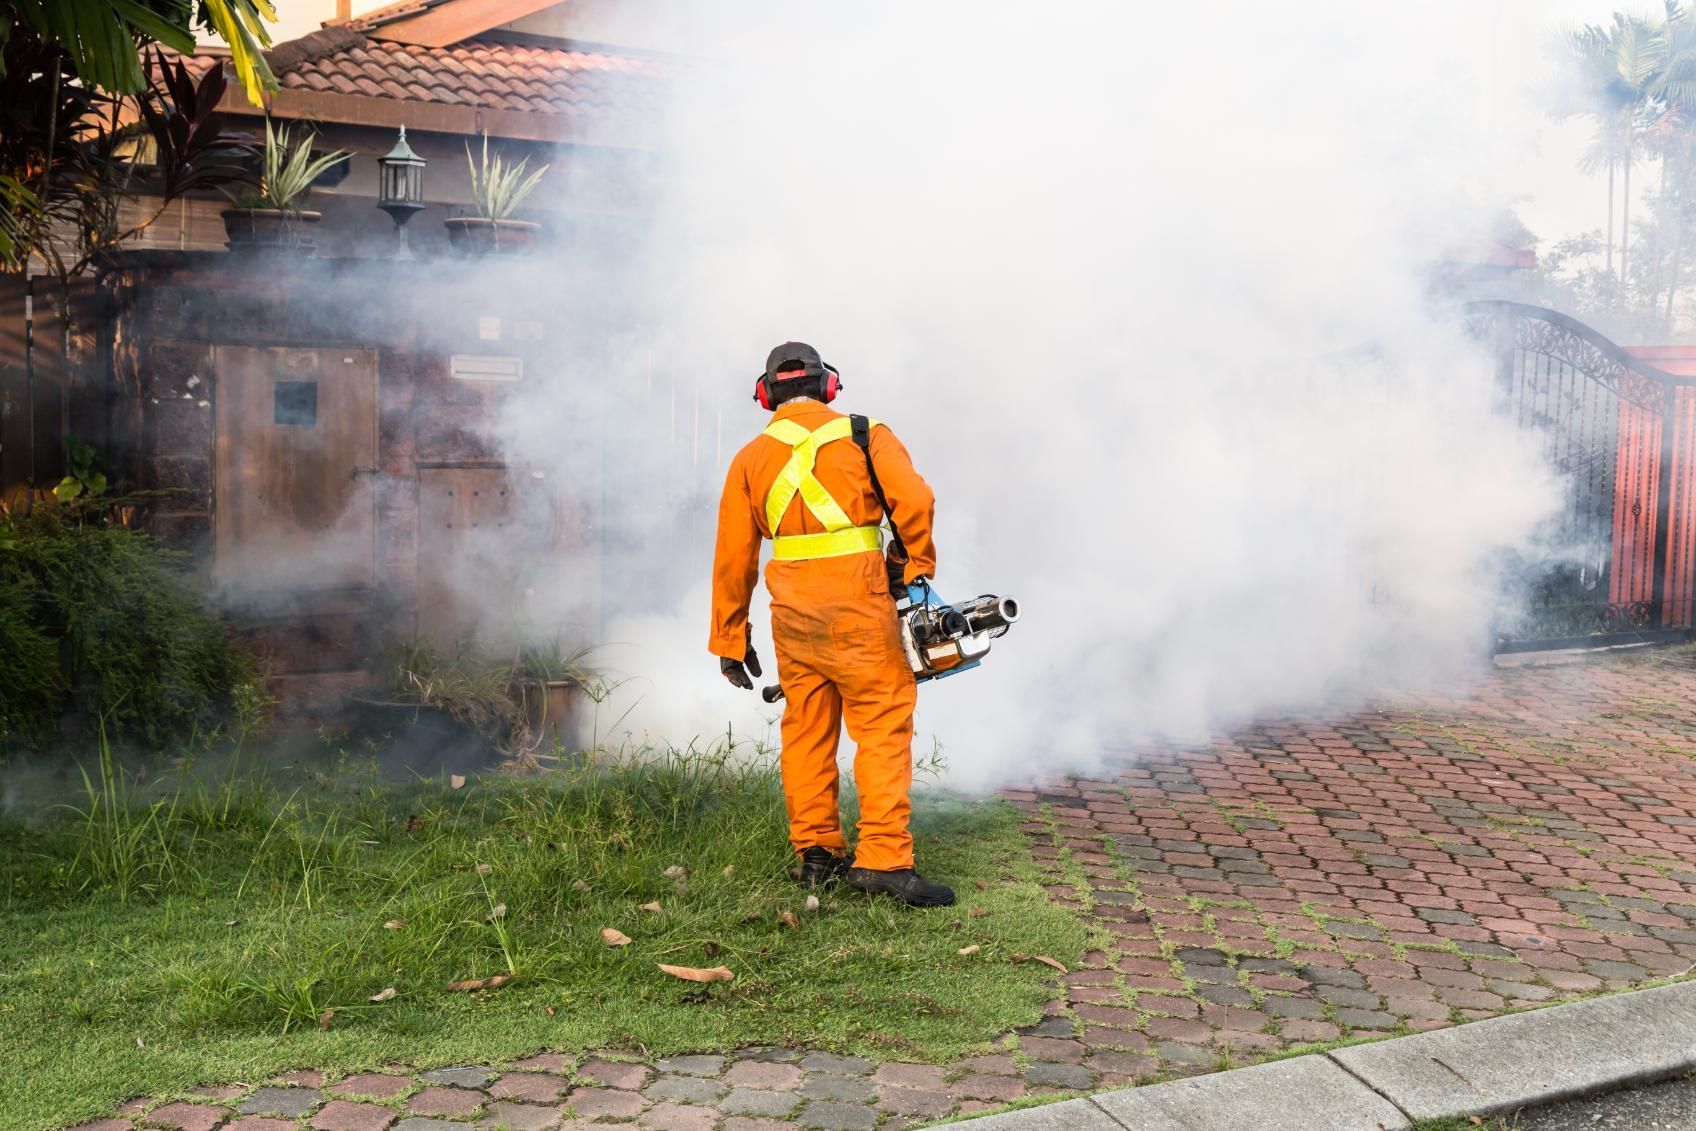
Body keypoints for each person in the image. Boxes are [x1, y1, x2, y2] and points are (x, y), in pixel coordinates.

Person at [709, 342, 954, 907]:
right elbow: (915, 502)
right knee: (883, 725)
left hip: (793, 615)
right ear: (828, 386)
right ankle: (884, 859)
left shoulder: (749, 459)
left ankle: (817, 853)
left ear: (766, 394)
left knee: (806, 728)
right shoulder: (868, 435)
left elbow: (733, 557)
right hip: (860, 604)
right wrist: (911, 566)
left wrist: (730, 637)